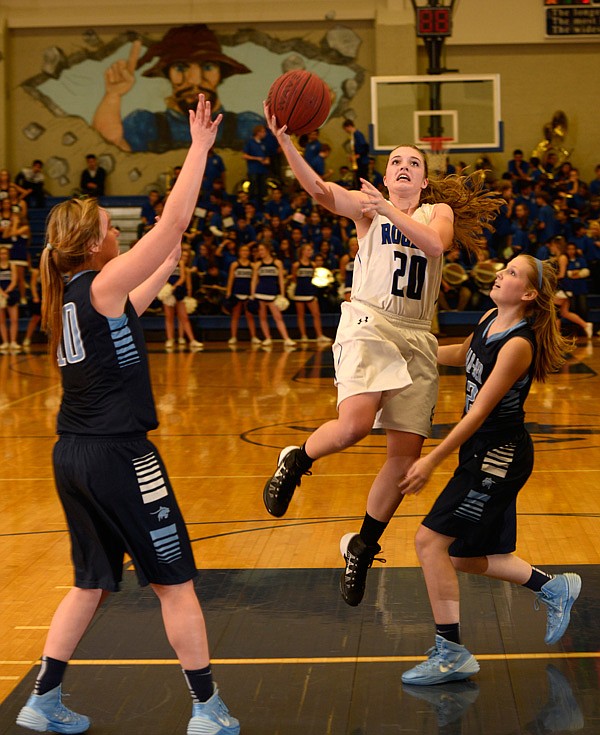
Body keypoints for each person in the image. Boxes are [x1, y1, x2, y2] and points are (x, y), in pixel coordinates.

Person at [15, 96, 240, 735]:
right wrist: (198, 148)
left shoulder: (72, 300)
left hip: (75, 457)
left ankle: (43, 698)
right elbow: (166, 230)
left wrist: (171, 254)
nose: (120, 231)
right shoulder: (101, 283)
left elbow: (152, 274)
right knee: (174, 582)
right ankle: (206, 710)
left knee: (90, 584)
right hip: (119, 455)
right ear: (93, 243)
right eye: (112, 228)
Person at [262, 101, 501, 607]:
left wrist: (389, 209)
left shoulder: (438, 212)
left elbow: (434, 248)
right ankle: (297, 459)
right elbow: (320, 191)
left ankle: (363, 545)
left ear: (424, 178)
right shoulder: (368, 208)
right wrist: (286, 142)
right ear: (386, 174)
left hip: (417, 334)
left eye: (413, 163)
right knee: (353, 425)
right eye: (396, 161)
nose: (404, 167)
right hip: (369, 319)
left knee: (403, 458)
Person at [397, 254, 581, 685]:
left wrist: (431, 459)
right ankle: (552, 587)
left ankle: (451, 652)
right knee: (464, 556)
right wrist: (407, 349)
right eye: (505, 268)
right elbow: (461, 355)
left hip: (500, 456)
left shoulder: (518, 344)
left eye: (513, 273)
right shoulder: (490, 316)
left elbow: (478, 412)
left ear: (530, 293)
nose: (501, 273)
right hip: (482, 453)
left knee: (429, 542)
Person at [92, 25, 262, 152]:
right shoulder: (143, 124)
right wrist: (113, 95)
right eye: (181, 68)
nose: (194, 81)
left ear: (221, 73)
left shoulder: (247, 125)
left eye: (207, 67)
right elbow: (108, 147)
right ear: (167, 74)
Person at [251, 243, 295, 347]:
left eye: (262, 250)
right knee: (262, 317)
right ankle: (267, 338)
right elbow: (254, 280)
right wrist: (252, 295)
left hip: (273, 293)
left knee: (278, 317)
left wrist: (282, 294)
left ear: (268, 250)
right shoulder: (257, 264)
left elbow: (280, 279)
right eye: (259, 250)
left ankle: (286, 338)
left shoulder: (277, 263)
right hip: (260, 293)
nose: (260, 252)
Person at [290, 243, 331, 344]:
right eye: (308, 250)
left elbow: (314, 279)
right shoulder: (296, 265)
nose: (310, 252)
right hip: (299, 292)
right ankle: (303, 336)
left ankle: (319, 335)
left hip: (310, 292)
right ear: (302, 252)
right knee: (301, 315)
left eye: (311, 250)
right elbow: (294, 278)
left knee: (316, 314)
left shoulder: (313, 265)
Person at [225, 243, 261, 346]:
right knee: (235, 315)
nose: (245, 253)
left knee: (249, 315)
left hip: (248, 293)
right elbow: (231, 279)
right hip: (237, 292)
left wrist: (252, 293)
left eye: (246, 251)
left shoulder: (252, 265)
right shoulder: (235, 264)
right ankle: (233, 337)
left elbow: (254, 280)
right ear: (239, 253)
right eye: (243, 250)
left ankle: (254, 337)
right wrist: (228, 292)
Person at [242, 124, 270, 204]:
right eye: (263, 132)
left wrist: (267, 160)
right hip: (253, 169)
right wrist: (257, 158)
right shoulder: (250, 143)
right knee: (253, 187)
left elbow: (267, 155)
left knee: (262, 188)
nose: (265, 134)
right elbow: (244, 155)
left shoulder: (263, 143)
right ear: (258, 133)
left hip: (263, 170)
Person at [342, 119, 370, 187]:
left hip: (362, 161)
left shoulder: (358, 134)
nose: (346, 131)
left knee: (362, 180)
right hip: (358, 161)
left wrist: (359, 155)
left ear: (348, 126)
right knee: (357, 179)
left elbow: (365, 146)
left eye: (345, 129)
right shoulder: (353, 136)